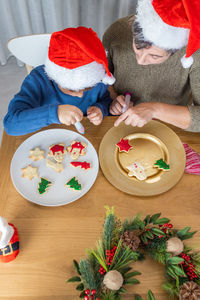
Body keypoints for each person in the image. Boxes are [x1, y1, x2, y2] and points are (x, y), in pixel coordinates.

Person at [103, 0, 200, 132]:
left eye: (155, 56)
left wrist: (154, 110)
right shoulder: (116, 32)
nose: (141, 62)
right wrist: (113, 97)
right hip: (120, 119)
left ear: (176, 50)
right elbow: (102, 77)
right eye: (137, 48)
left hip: (171, 124)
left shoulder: (195, 51)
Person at [4, 27, 115, 136]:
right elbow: (10, 124)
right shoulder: (38, 80)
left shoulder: (97, 80)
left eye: (87, 88)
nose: (81, 95)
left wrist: (100, 109)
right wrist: (55, 113)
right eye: (72, 89)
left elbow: (106, 100)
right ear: (56, 78)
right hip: (46, 134)